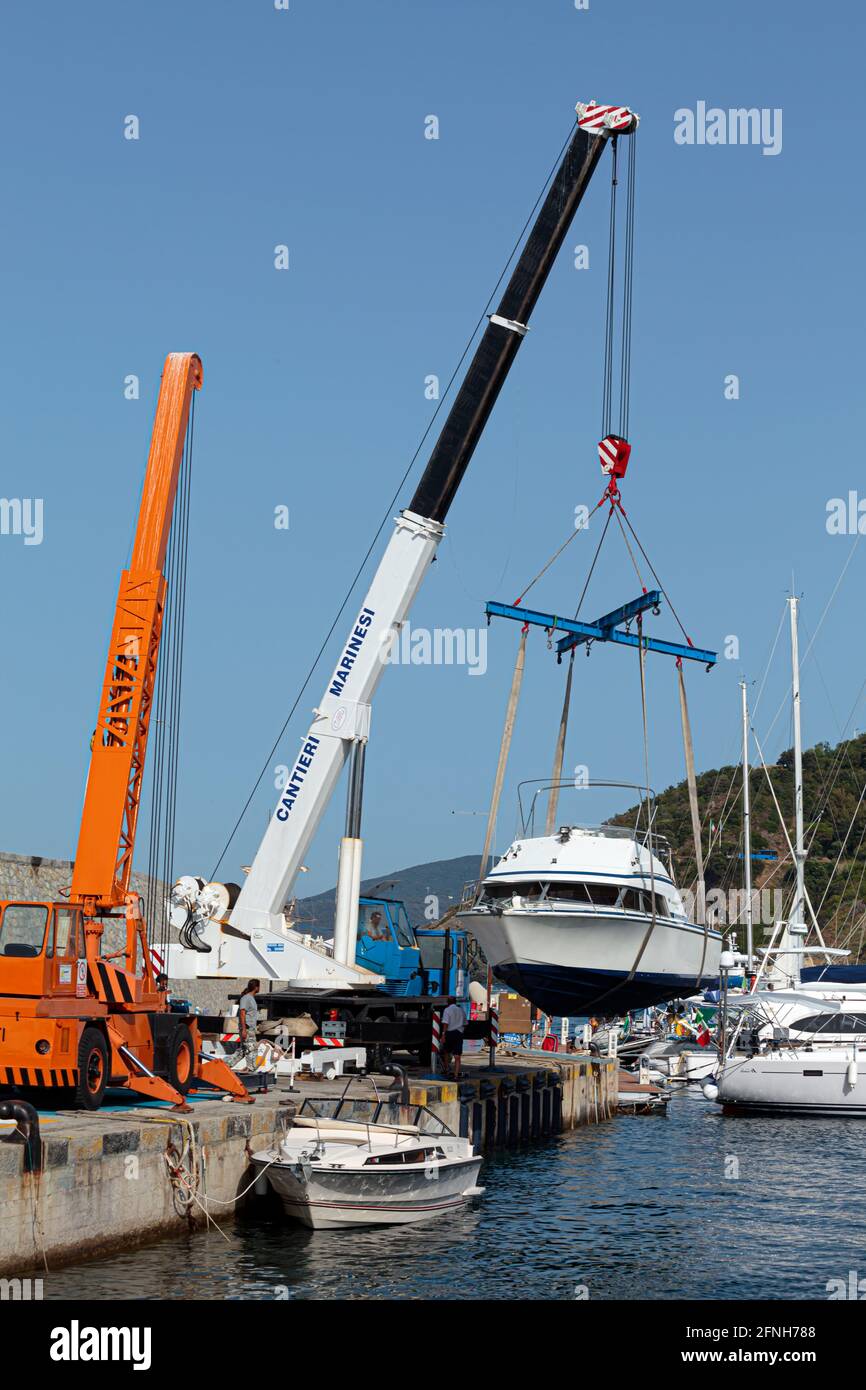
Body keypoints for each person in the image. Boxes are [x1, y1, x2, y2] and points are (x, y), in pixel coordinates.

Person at [440, 995, 467, 1079]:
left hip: (449, 1033)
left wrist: (443, 1034)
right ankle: (455, 1075)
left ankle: (446, 1069)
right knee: (457, 1056)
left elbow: (445, 1023)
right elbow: (465, 1023)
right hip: (459, 1033)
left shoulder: (447, 1010)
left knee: (446, 1052)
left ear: (448, 1003)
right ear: (455, 1002)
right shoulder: (461, 1010)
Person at [238, 978, 261, 1073]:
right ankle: (251, 1069)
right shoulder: (246, 998)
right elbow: (242, 1013)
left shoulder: (251, 998)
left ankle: (226, 1064)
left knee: (241, 1052)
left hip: (251, 1028)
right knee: (252, 1049)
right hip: (247, 1028)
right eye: (259, 986)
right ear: (256, 987)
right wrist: (243, 1029)